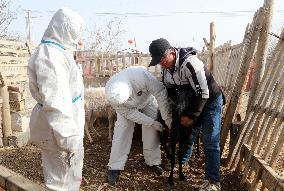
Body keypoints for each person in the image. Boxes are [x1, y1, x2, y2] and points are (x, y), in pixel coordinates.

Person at [149, 38, 223, 191]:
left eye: (162, 59)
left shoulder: (190, 63)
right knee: (188, 134)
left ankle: (213, 181)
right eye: (158, 61)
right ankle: (181, 162)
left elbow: (203, 93)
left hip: (209, 101)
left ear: (171, 52)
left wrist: (192, 116)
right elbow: (168, 91)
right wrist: (176, 112)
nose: (161, 63)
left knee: (210, 141)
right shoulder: (166, 70)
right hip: (191, 101)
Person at [28, 7, 86, 191]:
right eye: (75, 32)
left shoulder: (58, 51)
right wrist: (70, 140)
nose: (77, 38)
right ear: (66, 29)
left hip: (63, 127)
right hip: (60, 132)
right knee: (59, 184)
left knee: (68, 178)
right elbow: (56, 103)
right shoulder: (51, 57)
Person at [105, 66, 172, 185]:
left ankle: (153, 161)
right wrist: (151, 123)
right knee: (121, 132)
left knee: (151, 131)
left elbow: (160, 92)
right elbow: (130, 113)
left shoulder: (141, 75)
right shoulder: (111, 93)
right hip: (127, 110)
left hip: (147, 101)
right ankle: (115, 166)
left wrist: (166, 119)